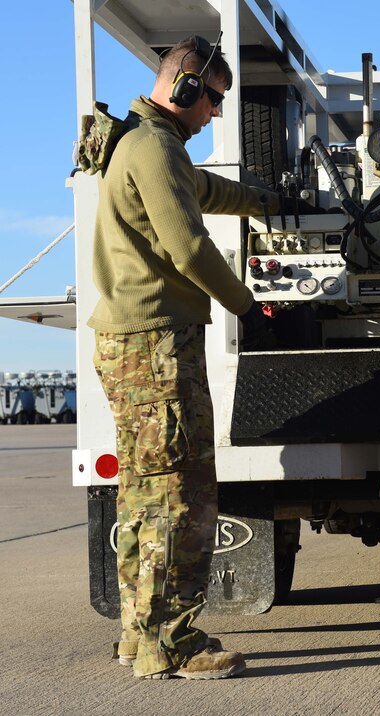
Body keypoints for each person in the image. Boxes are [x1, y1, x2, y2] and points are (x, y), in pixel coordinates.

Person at [84, 35, 276, 680]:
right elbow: (190, 248)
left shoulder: (139, 140)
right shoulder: (154, 145)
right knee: (181, 498)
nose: (215, 114)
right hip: (157, 347)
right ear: (187, 89)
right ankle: (172, 642)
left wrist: (263, 202)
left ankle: (139, 635)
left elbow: (198, 190)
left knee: (143, 495)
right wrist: (249, 307)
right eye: (214, 100)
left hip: (133, 343)